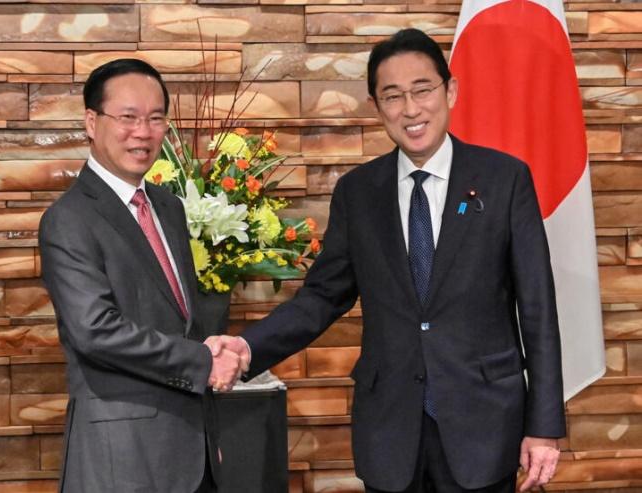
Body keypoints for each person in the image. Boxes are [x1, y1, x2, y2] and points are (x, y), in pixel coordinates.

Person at [211, 28, 565, 492]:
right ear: (377, 106)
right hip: (391, 428)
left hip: (483, 423)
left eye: (422, 90)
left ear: (450, 90)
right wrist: (248, 347)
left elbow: (537, 309)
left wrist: (544, 426)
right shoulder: (359, 193)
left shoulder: (504, 180)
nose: (410, 109)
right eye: (392, 96)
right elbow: (322, 297)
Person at [39, 58, 243, 493]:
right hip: (123, 460)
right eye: (128, 117)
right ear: (91, 122)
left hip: (193, 455)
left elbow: (183, 323)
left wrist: (206, 433)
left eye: (155, 118)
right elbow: (95, 331)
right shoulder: (68, 219)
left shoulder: (167, 206)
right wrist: (204, 362)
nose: (143, 132)